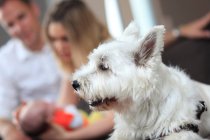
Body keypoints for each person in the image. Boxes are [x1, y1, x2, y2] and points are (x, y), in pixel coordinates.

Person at [41, 0, 114, 139]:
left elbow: (114, 120)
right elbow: (62, 109)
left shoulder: (107, 58)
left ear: (83, 35)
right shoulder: (72, 62)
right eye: (53, 39)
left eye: (65, 38)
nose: (58, 47)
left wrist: (67, 137)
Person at [0, 0, 61, 140]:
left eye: (21, 17)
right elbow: (2, 118)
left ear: (34, 9)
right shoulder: (4, 60)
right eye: (10, 25)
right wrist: (12, 134)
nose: (19, 28)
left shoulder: (61, 37)